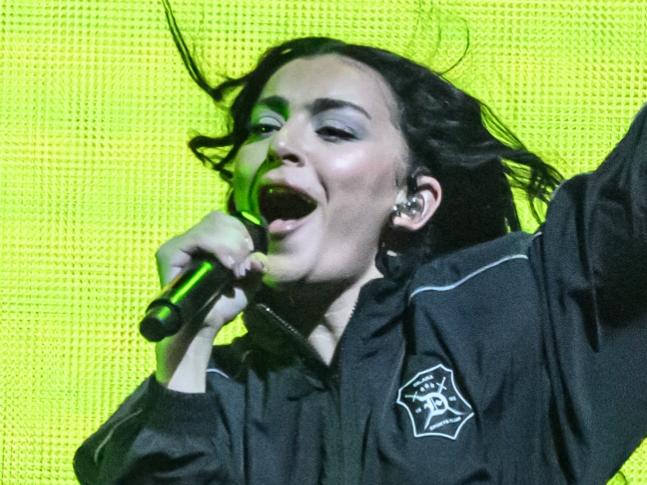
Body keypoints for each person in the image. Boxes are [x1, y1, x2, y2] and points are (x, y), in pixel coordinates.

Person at [73, 5, 647, 484]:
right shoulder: (204, 403)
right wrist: (183, 354)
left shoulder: (516, 307)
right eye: (263, 128)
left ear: (413, 201)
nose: (282, 145)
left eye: (335, 130)